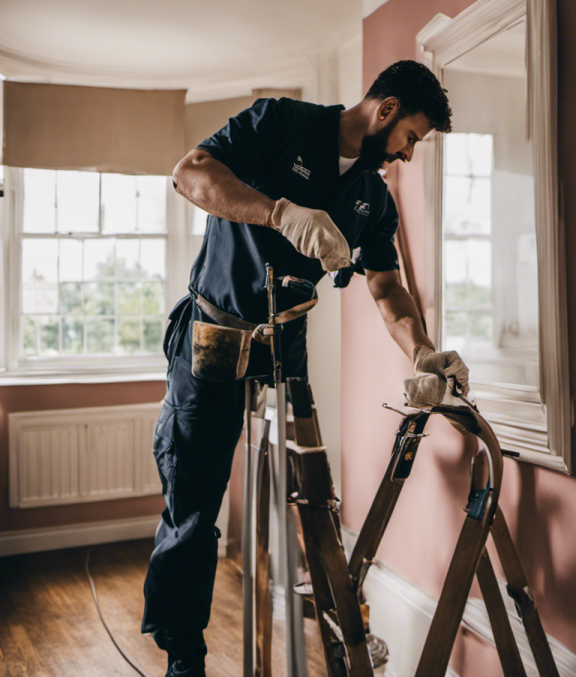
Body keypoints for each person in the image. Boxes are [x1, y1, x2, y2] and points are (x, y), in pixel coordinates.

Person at [142, 59, 472, 677]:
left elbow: (386, 287)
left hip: (284, 351)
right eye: (410, 139)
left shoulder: (373, 200)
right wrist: (280, 213)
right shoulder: (281, 123)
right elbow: (191, 174)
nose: (405, 154)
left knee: (313, 498)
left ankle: (340, 631)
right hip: (214, 335)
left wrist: (422, 350)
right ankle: (184, 656)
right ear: (387, 110)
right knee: (192, 507)